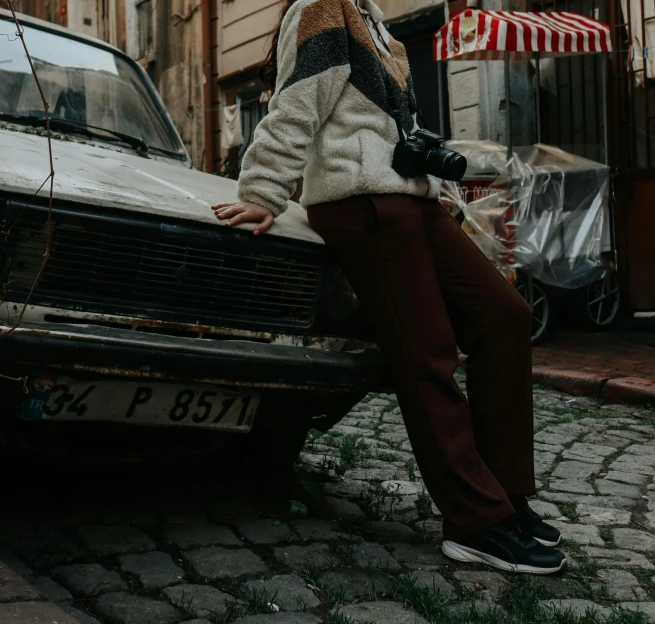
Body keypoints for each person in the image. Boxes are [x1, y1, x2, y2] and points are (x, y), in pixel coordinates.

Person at [212, 0, 566, 574]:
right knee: (424, 354)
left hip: (413, 200)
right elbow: (297, 103)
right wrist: (262, 189)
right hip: (362, 204)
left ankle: (505, 497)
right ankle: (477, 523)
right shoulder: (323, 8)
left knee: (504, 316)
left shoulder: (375, 24)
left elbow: (392, 128)